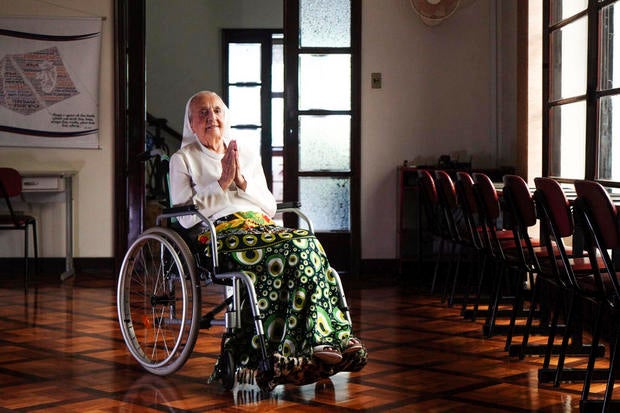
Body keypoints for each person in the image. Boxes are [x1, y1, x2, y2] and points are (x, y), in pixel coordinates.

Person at [169, 91, 366, 390]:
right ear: (191, 124)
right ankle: (300, 346)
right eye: (203, 113)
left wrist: (242, 182)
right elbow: (185, 216)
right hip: (219, 235)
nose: (212, 117)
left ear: (227, 116)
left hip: (260, 227)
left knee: (305, 242)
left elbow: (269, 206)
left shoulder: (245, 153)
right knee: (293, 246)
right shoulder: (183, 159)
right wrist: (221, 182)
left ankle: (329, 338)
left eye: (217, 111)